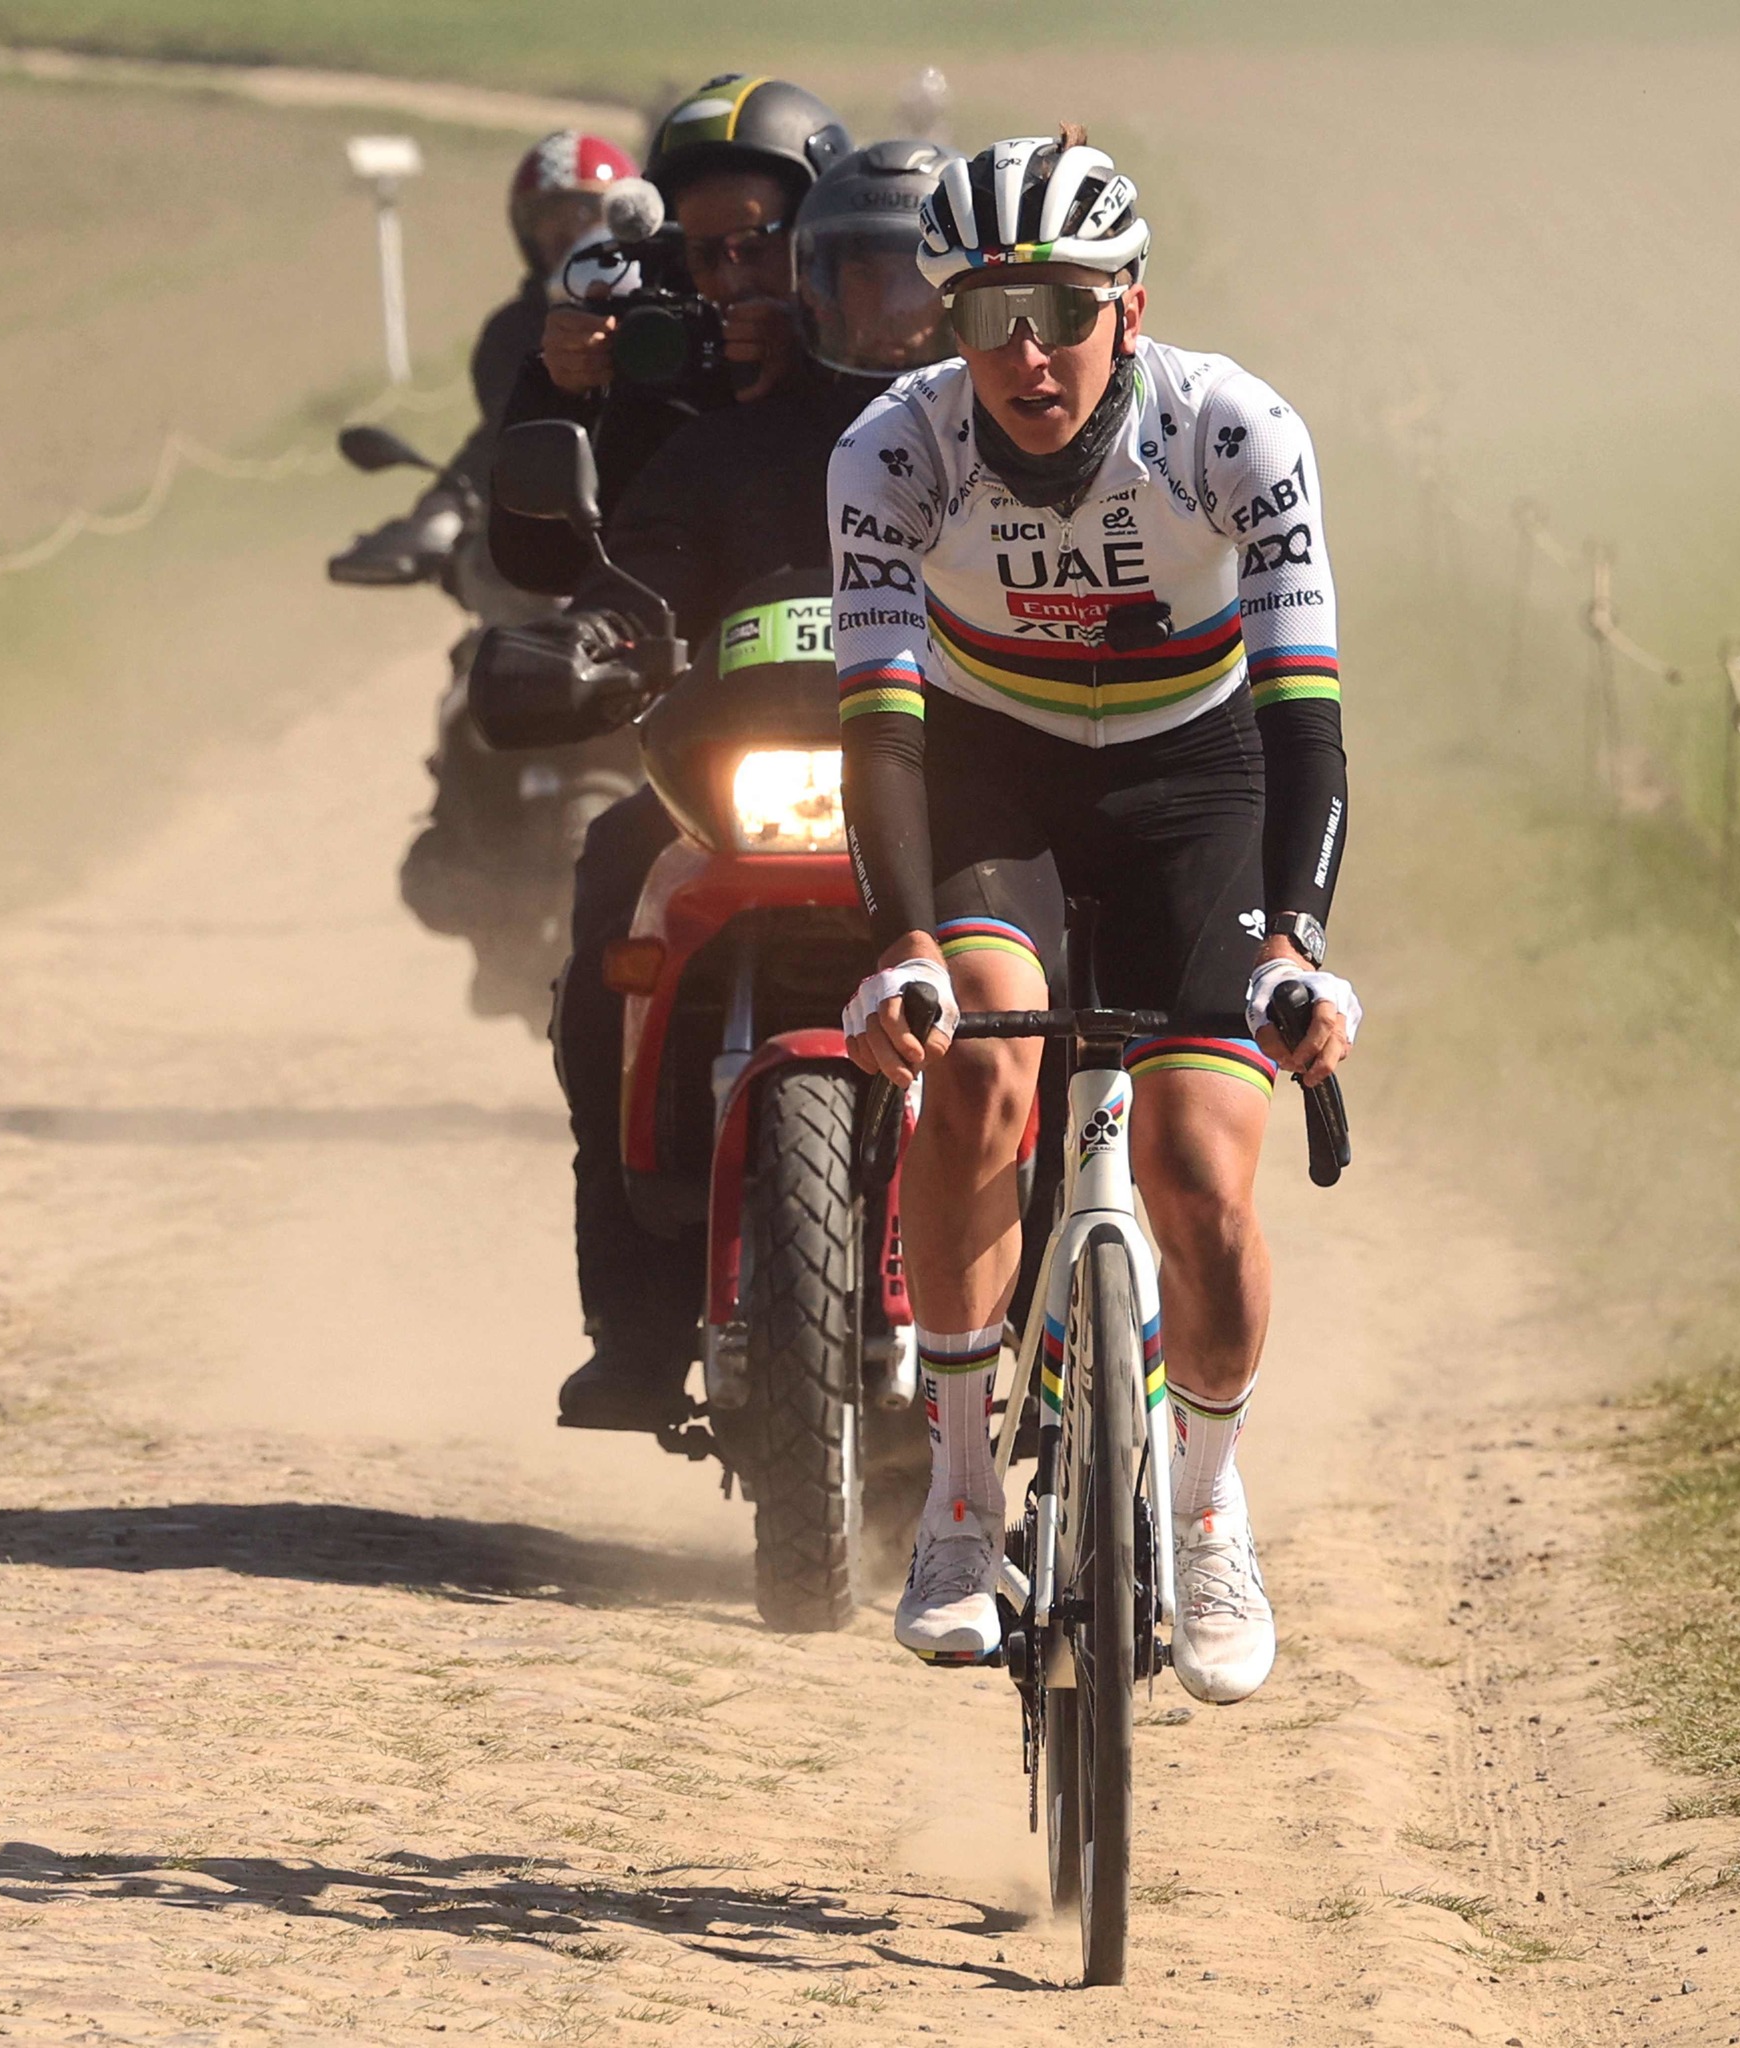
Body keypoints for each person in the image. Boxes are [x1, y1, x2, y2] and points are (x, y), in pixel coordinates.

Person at [830, 130, 1362, 1706]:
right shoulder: (891, 454)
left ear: (1131, 308)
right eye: (988, 315)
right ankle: (962, 1500)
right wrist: (906, 947)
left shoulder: (1236, 435)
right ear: (948, 327)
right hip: (998, 785)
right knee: (981, 1077)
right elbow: (879, 723)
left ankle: (1205, 1510)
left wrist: (1296, 947)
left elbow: (1306, 719)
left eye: (1062, 309)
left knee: (1202, 1177)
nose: (1028, 352)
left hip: (1202, 788)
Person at [551, 139, 959, 1431]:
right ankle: (634, 1314)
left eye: (917, 283)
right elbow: (644, 564)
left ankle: (1105, 1291)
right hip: (754, 786)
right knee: (616, 882)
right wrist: (591, 636)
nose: (888, 313)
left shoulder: (1007, 437)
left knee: (1104, 951)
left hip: (964, 797)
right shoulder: (730, 446)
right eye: (854, 279)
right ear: (809, 285)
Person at [491, 76, 849, 597]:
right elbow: (543, 566)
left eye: (753, 246)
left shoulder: (885, 356)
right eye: (704, 255)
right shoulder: (661, 365)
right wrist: (559, 392)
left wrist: (813, 365)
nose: (730, 282)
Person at [329, 129, 638, 586]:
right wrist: (441, 511)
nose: (566, 230)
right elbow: (511, 429)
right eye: (546, 216)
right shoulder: (514, 332)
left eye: (587, 210)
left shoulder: (677, 310)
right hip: (558, 553)